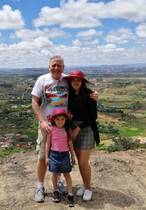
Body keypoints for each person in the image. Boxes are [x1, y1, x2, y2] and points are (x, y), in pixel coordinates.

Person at [31, 56, 98, 203]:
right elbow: (35, 102)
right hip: (47, 125)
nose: (56, 68)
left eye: (59, 66)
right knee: (43, 156)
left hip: (65, 125)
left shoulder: (67, 79)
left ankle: (60, 183)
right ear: (49, 67)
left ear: (63, 67)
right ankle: (40, 186)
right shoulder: (42, 80)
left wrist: (94, 94)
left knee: (60, 152)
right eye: (53, 65)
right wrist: (42, 121)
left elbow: (81, 87)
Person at [65, 70, 100, 201]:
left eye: (78, 80)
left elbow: (93, 117)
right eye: (73, 80)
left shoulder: (90, 95)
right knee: (80, 162)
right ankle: (85, 186)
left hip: (86, 129)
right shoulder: (69, 95)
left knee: (83, 162)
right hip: (73, 128)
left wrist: (78, 129)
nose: (75, 82)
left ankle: (88, 188)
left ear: (82, 82)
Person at [45, 108, 76, 207]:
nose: (60, 121)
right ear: (53, 119)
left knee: (67, 174)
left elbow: (70, 142)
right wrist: (46, 157)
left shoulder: (67, 130)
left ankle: (70, 194)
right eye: (57, 119)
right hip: (54, 154)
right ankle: (55, 191)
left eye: (62, 119)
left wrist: (72, 155)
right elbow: (48, 144)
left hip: (65, 155)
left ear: (66, 120)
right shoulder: (51, 130)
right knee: (54, 174)